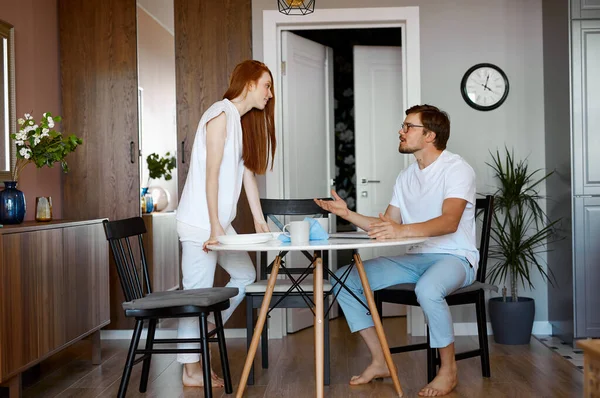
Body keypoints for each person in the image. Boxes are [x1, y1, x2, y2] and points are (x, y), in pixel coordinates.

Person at [315, 104, 477, 397]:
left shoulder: (457, 169)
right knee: (343, 279)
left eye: (407, 127)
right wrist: (348, 213)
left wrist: (401, 230)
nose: (401, 132)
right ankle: (381, 361)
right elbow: (387, 226)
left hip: (456, 258)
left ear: (429, 135)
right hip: (415, 258)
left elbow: (449, 222)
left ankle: (448, 370)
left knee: (428, 290)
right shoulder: (406, 177)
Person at [176, 60, 276, 388]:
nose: (270, 93)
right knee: (198, 292)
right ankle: (191, 371)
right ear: (249, 83)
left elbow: (247, 174)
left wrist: (260, 221)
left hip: (217, 222)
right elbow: (212, 175)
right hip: (200, 223)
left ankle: (202, 328)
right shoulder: (220, 114)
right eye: (266, 85)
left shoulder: (240, 120)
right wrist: (215, 229)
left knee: (246, 275)